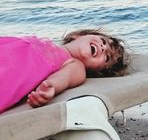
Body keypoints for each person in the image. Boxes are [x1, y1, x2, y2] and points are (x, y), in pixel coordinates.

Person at [0, 29, 128, 113]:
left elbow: (65, 78)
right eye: (103, 41)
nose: (103, 47)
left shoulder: (75, 65)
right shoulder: (43, 43)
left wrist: (51, 87)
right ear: (77, 36)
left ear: (97, 71)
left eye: (107, 57)